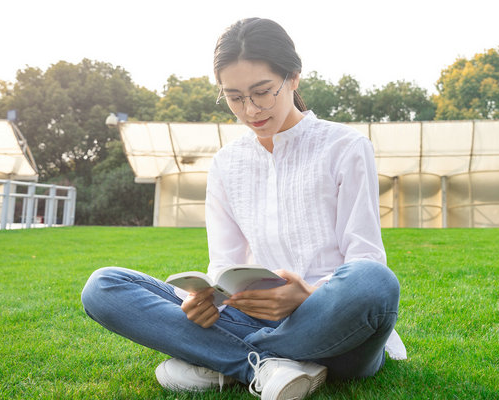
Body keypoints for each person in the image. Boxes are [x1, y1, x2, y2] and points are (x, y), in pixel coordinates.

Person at [81, 17, 406, 400]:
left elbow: (366, 256)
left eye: (262, 92)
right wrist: (203, 300)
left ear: (294, 78)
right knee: (103, 286)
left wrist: (309, 296)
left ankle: (223, 359)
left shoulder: (345, 147)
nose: (251, 110)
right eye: (234, 97)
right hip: (248, 314)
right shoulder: (226, 163)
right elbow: (222, 265)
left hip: (333, 321)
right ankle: (268, 365)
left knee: (373, 281)